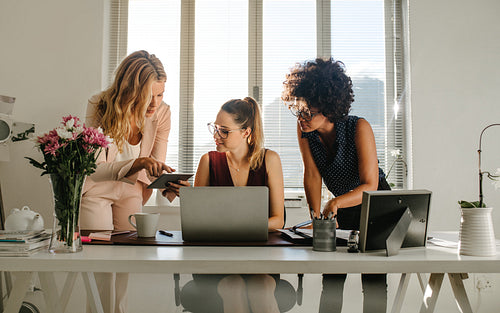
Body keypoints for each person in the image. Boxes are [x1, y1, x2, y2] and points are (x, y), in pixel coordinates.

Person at [281, 57, 391, 313]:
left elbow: (370, 185)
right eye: (298, 110)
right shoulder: (305, 130)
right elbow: (311, 174)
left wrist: (335, 202)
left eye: (308, 112)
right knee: (331, 277)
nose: (301, 117)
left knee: (373, 281)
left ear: (329, 108)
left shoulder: (358, 127)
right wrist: (316, 215)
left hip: (375, 206)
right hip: (341, 206)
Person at [81, 50, 178, 313]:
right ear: (130, 90)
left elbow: (155, 165)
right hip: (98, 192)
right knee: (101, 270)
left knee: (123, 269)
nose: (155, 103)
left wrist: (169, 182)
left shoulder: (162, 114)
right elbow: (93, 168)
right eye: (149, 95)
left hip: (132, 191)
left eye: (160, 94)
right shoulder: (99, 104)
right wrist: (137, 163)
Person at [186, 97, 285, 313]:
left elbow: (278, 220)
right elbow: (196, 221)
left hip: (259, 255)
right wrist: (186, 196)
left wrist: (235, 227)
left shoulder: (270, 160)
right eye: (215, 128)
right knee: (233, 286)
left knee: (262, 286)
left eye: (224, 131)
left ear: (246, 132)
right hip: (217, 256)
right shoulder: (208, 161)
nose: (216, 136)